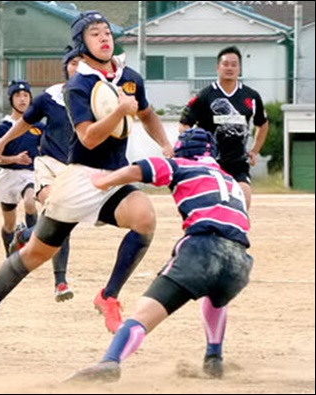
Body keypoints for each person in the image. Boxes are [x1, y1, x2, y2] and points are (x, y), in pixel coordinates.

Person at [0, 10, 174, 359]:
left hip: (114, 174)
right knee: (34, 255)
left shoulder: (129, 77)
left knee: (145, 219)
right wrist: (120, 112)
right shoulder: (78, 85)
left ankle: (108, 296)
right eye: (95, 33)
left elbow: (147, 113)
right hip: (79, 177)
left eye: (106, 31)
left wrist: (164, 143)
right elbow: (88, 139)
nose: (104, 37)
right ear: (82, 44)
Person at [66, 128, 253, 383]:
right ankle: (213, 358)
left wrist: (104, 181)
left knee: (142, 316)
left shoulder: (182, 166)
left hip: (202, 249)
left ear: (183, 149)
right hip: (240, 261)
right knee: (216, 293)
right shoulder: (230, 179)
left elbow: (140, 169)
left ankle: (110, 362)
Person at [0, 48, 82, 303]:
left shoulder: (95, 96)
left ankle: (25, 235)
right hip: (48, 166)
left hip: (77, 168)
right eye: (73, 63)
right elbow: (24, 122)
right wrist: (0, 145)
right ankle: (60, 282)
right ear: (65, 68)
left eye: (82, 63)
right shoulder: (50, 96)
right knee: (61, 217)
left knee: (60, 222)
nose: (78, 67)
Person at [179, 46, 269, 209]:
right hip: (210, 163)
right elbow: (185, 123)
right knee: (212, 208)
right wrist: (190, 149)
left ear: (239, 68)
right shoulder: (205, 96)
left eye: (234, 64)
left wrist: (255, 150)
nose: (229, 68)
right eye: (225, 64)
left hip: (238, 163)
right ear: (218, 67)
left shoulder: (251, 96)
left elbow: (262, 124)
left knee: (243, 204)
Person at [0, 80, 42, 257]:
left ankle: (29, 242)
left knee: (30, 202)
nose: (22, 99)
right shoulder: (3, 128)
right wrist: (15, 159)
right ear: (11, 100)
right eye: (18, 96)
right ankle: (10, 256)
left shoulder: (39, 126)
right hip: (8, 176)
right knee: (9, 224)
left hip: (30, 175)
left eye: (26, 95)